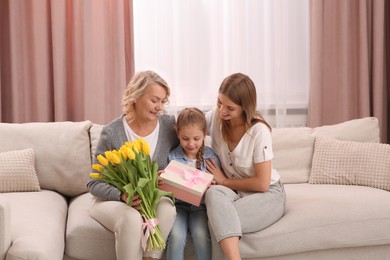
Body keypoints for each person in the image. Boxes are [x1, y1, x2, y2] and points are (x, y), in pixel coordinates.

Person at [87, 70, 179, 260]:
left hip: (151, 200)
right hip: (114, 202)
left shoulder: (170, 128)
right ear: (136, 96)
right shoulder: (112, 132)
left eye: (163, 101)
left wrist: (169, 176)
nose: (159, 107)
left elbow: (186, 156)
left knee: (167, 208)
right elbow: (94, 184)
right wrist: (122, 195)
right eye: (154, 100)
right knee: (131, 218)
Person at [204, 73, 286, 260]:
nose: (222, 110)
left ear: (244, 107)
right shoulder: (216, 117)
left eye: (230, 108)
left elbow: (262, 184)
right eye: (219, 103)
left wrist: (223, 181)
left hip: (268, 194)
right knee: (212, 194)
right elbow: (189, 124)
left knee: (217, 222)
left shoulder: (259, 131)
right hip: (235, 192)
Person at [166, 107, 221, 260]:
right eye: (185, 138)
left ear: (204, 134)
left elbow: (219, 186)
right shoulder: (173, 157)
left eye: (196, 138)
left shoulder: (210, 157)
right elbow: (167, 188)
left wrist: (214, 184)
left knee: (201, 235)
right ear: (178, 134)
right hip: (178, 207)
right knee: (176, 236)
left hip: (200, 208)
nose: (191, 144)